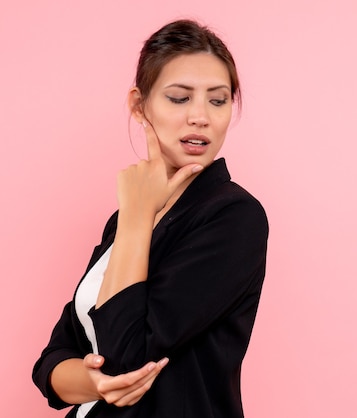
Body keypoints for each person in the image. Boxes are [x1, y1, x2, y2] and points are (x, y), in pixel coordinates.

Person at [32, 19, 268, 418]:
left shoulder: (233, 216)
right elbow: (51, 363)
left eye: (218, 99)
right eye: (179, 98)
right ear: (139, 106)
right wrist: (97, 384)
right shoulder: (123, 219)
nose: (200, 117)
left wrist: (139, 216)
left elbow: (126, 355)